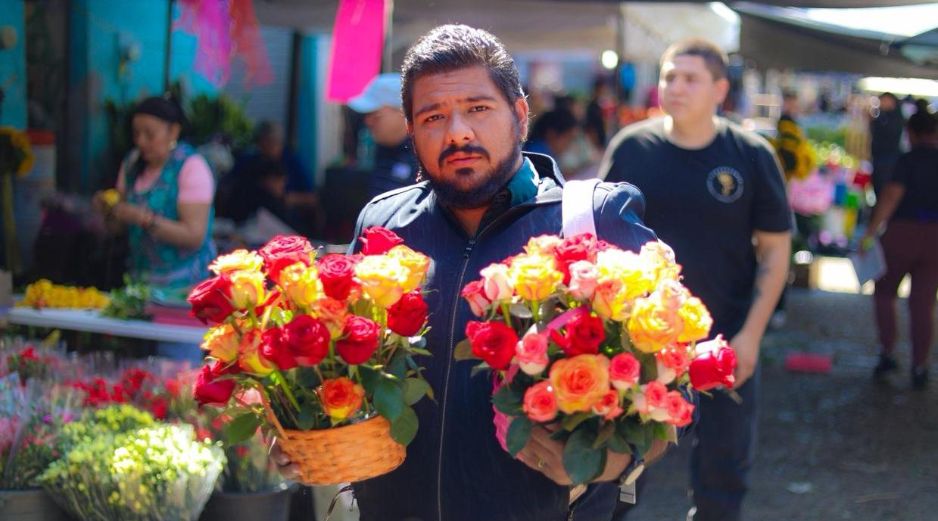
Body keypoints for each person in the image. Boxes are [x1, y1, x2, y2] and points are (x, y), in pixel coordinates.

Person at [272, 24, 686, 521]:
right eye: (433, 116)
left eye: (478, 108)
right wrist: (300, 423)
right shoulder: (383, 226)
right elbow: (346, 367)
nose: (457, 132)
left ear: (519, 114)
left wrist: (618, 459)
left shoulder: (591, 219)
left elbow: (678, 386)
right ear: (410, 130)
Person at [599, 38, 791, 521]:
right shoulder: (632, 149)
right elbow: (601, 239)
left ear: (719, 89)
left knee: (722, 475)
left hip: (725, 340)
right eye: (669, 76)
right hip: (639, 344)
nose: (676, 87)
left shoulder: (750, 155)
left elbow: (775, 250)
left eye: (690, 79)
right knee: (617, 472)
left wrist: (749, 338)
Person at [96, 95, 217, 292]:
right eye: (136, 134)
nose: (141, 142)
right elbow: (118, 228)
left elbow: (194, 236)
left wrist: (143, 219)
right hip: (139, 283)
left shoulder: (191, 167)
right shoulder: (132, 164)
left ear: (173, 131)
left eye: (150, 135)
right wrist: (110, 211)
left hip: (186, 286)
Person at [862, 109, 938, 390]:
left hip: (903, 232)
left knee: (884, 292)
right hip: (935, 239)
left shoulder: (907, 160)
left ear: (911, 133)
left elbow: (892, 195)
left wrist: (870, 232)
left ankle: (888, 352)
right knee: (923, 303)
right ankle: (920, 365)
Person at [347, 73, 419, 197]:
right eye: (366, 115)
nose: (367, 122)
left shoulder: (424, 158)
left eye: (375, 115)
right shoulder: (383, 149)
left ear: (403, 112)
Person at [870, 92, 905, 197]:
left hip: (888, 160)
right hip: (880, 158)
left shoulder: (895, 119)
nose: (881, 103)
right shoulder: (883, 117)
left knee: (883, 188)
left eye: (884, 100)